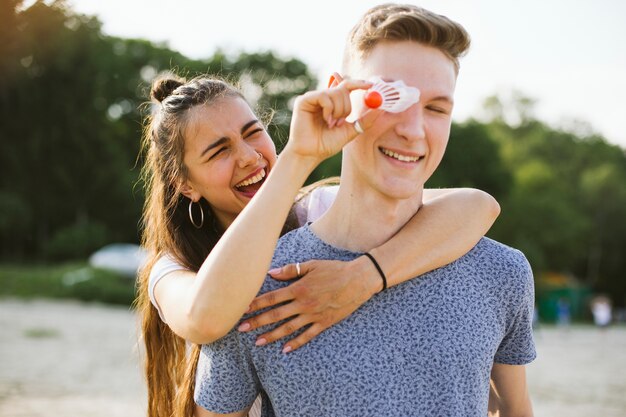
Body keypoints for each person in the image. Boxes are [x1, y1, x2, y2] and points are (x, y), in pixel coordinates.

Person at [193, 4, 536, 417]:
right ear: (340, 92)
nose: (412, 130)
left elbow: (516, 410)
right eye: (392, 97)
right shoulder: (256, 286)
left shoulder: (501, 273)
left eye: (436, 108)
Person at [137, 66, 499, 417]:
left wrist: (365, 275)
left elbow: (478, 206)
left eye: (252, 133)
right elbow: (207, 318)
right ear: (185, 184)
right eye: (219, 151)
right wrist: (299, 157)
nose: (249, 157)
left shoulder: (321, 210)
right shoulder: (172, 270)